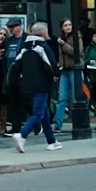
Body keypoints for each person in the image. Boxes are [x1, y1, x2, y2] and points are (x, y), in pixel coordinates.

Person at [11, 22, 59, 154]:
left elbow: (15, 65)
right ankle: (22, 135)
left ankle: (52, 141)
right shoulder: (43, 47)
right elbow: (51, 65)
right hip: (41, 85)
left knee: (44, 114)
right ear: (44, 33)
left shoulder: (24, 48)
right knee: (38, 113)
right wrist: (55, 75)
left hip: (26, 86)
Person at [53, 18, 80, 126]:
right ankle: (57, 123)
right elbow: (60, 55)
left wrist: (63, 44)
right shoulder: (60, 38)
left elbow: (77, 52)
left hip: (74, 69)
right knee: (62, 98)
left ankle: (78, 122)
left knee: (75, 97)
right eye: (65, 25)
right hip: (64, 69)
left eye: (69, 24)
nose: (68, 27)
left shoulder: (77, 36)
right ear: (62, 28)